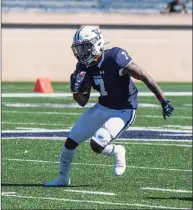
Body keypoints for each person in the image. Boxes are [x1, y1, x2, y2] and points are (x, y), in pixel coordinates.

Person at [45, 26, 174, 186]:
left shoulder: (115, 57)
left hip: (124, 109)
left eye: (84, 47)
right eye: (79, 48)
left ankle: (117, 150)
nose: (81, 52)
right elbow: (82, 101)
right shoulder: (83, 66)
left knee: (96, 145)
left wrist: (163, 99)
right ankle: (63, 179)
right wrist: (75, 90)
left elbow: (143, 75)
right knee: (70, 142)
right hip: (103, 106)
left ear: (97, 43)